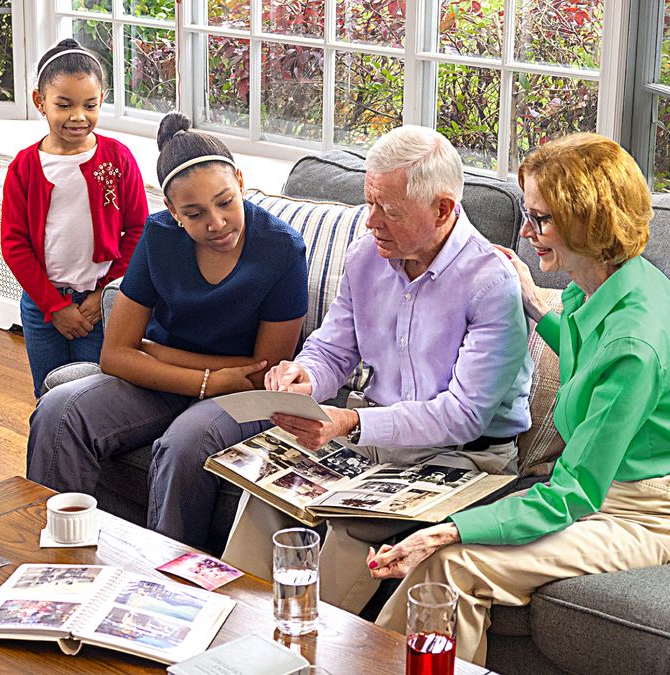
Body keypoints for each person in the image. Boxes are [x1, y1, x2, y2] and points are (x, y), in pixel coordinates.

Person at [369, 133, 670, 666]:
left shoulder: (634, 342)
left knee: (451, 565)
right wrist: (535, 304)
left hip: (635, 514)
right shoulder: (602, 281)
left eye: (542, 220)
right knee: (441, 554)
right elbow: (588, 358)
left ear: (592, 222)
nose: (526, 233)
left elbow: (573, 492)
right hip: (599, 490)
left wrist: (450, 529)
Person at [223, 125, 532, 615]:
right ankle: (233, 637)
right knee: (265, 495)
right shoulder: (367, 256)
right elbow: (333, 348)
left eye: (389, 210)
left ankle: (309, 654)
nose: (371, 222)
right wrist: (304, 377)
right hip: (373, 441)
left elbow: (463, 416)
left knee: (351, 528)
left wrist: (350, 421)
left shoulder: (491, 283)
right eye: (369, 202)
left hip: (464, 458)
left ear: (444, 209)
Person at [27, 112, 309, 549]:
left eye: (225, 201)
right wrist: (206, 379)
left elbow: (263, 373)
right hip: (181, 382)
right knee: (59, 411)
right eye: (194, 213)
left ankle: (169, 591)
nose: (216, 223)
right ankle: (59, 561)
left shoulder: (282, 249)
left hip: (243, 396)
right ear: (172, 210)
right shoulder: (158, 237)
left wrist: (159, 355)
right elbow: (115, 356)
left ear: (240, 180)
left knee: (184, 446)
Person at [2, 38, 147, 398]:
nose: (78, 116)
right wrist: (54, 305)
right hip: (42, 307)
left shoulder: (118, 158)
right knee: (48, 397)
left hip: (100, 303)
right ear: (40, 102)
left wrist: (104, 293)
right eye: (64, 105)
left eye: (90, 105)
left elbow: (139, 229)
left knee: (95, 397)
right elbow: (14, 244)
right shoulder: (23, 167)